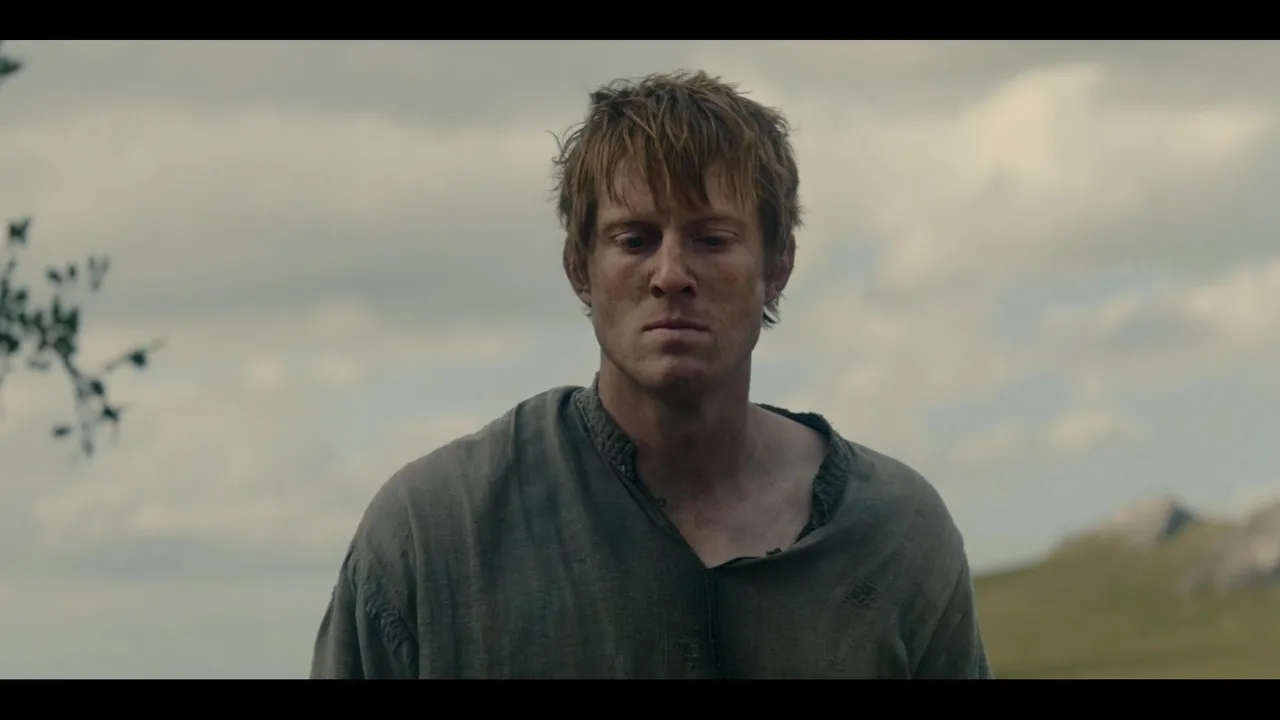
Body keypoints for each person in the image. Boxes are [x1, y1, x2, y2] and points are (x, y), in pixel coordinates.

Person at [310, 70, 992, 679]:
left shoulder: (897, 534)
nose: (670, 275)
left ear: (778, 265)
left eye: (712, 239)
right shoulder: (436, 534)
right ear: (579, 268)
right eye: (634, 240)